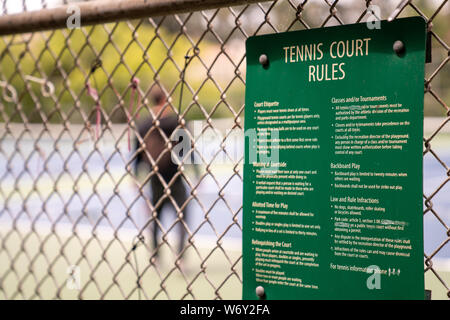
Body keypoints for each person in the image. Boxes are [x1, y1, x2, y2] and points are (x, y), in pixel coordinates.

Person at [133, 86, 189, 263]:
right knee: (182, 217)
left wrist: (136, 177)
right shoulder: (176, 122)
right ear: (165, 100)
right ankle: (180, 256)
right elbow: (186, 151)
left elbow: (137, 153)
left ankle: (156, 256)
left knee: (155, 217)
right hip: (174, 176)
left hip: (154, 177)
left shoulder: (143, 124)